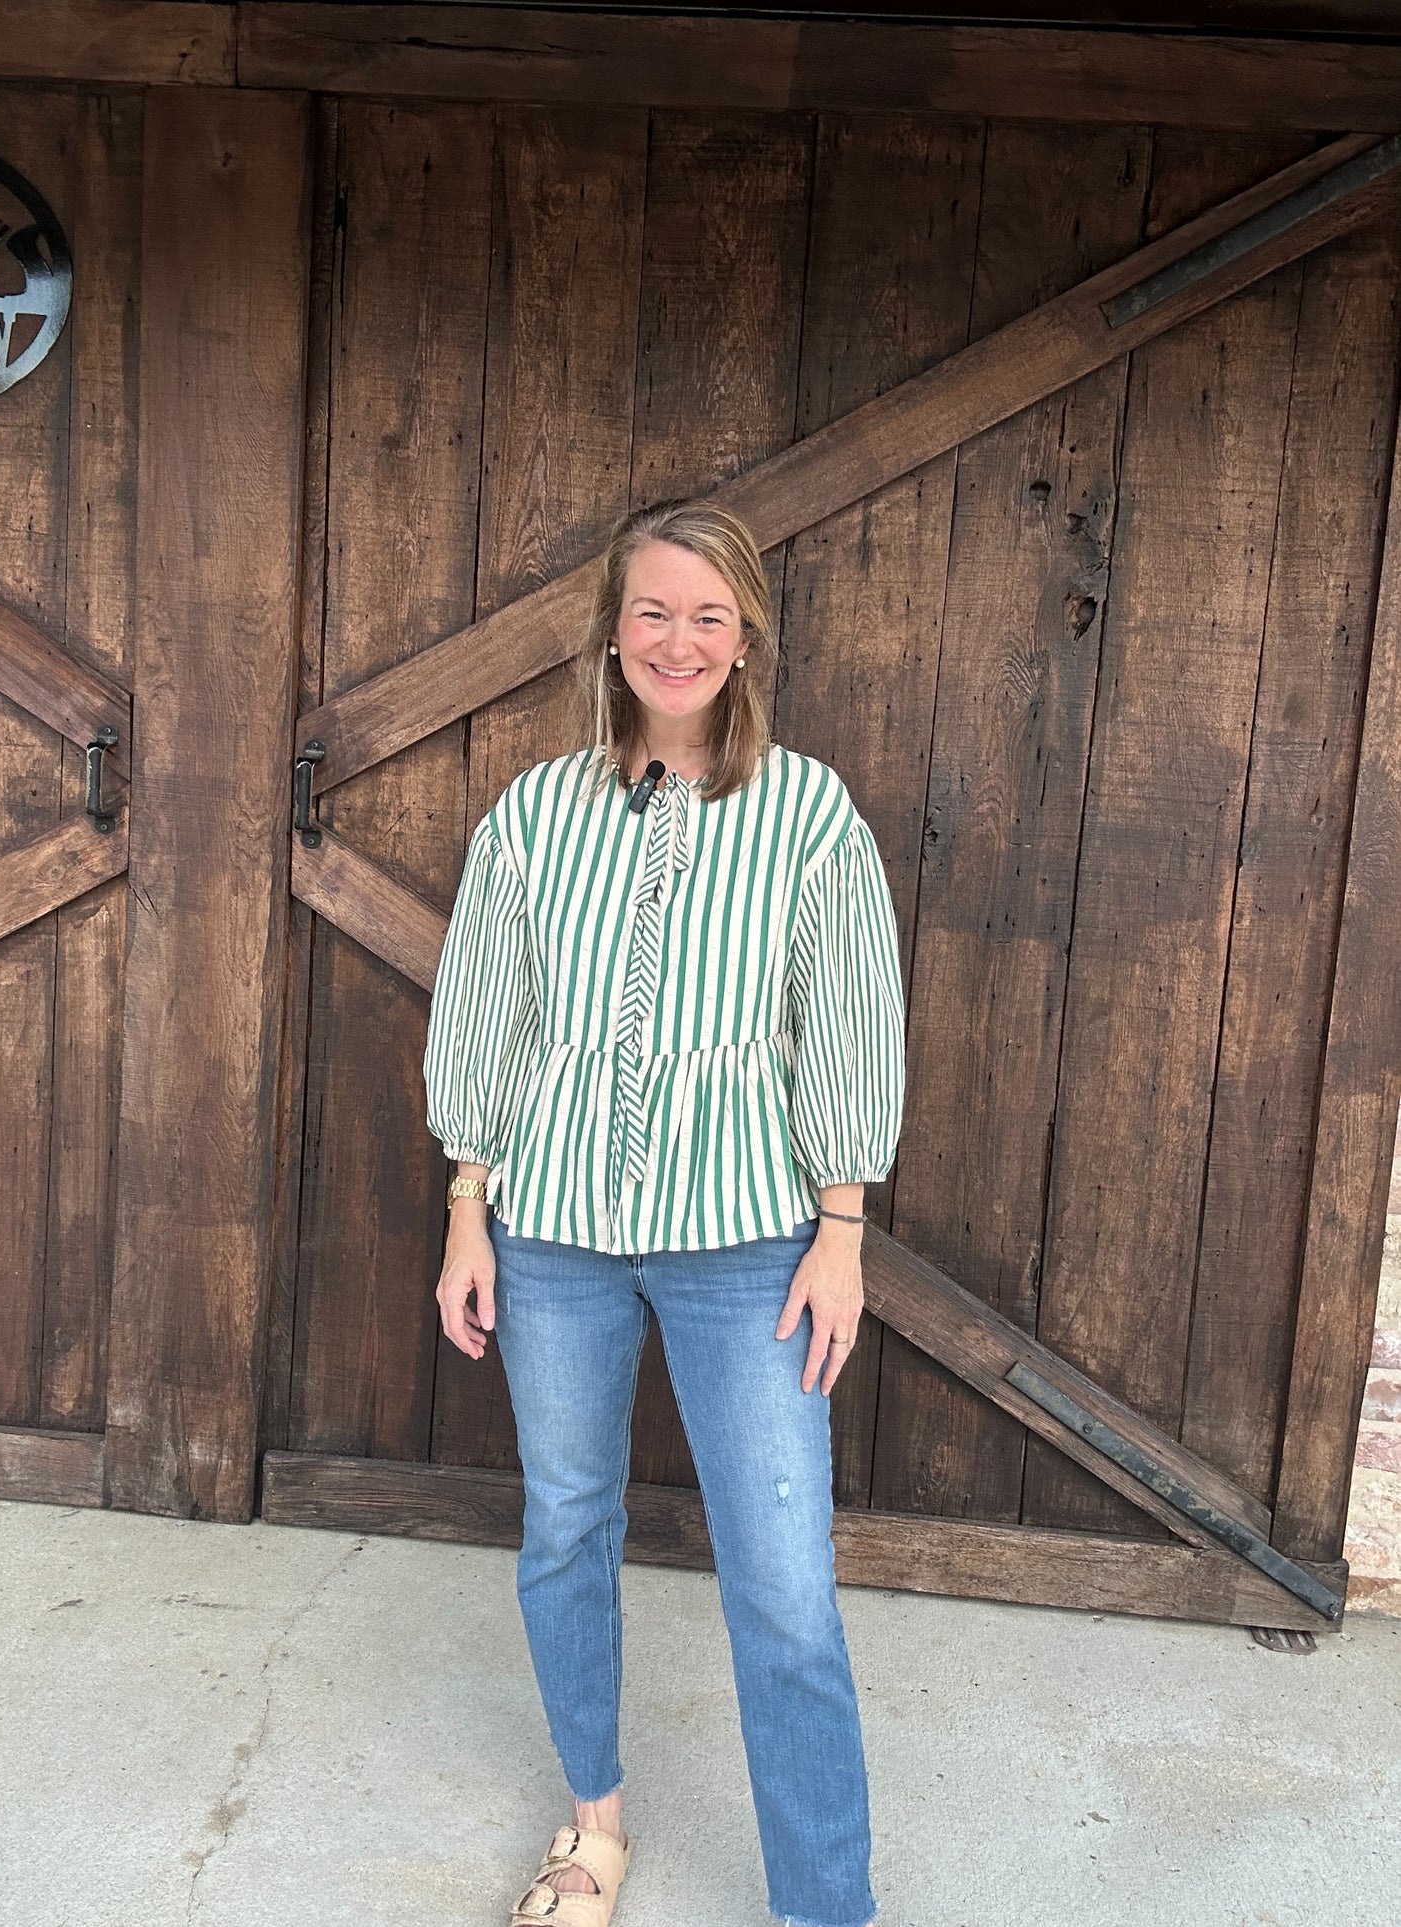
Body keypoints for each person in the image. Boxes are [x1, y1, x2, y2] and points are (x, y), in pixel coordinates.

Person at [422, 497, 906, 1927]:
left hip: (750, 1241)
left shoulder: (808, 812)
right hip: (553, 1232)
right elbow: (486, 1025)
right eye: (650, 612)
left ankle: (824, 1903)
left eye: (706, 615)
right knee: (568, 1521)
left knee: (779, 1579)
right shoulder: (534, 814)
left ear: (746, 638)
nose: (676, 639)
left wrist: (841, 1230)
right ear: (611, 634)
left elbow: (850, 1029)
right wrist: (468, 1207)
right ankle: (594, 1829)